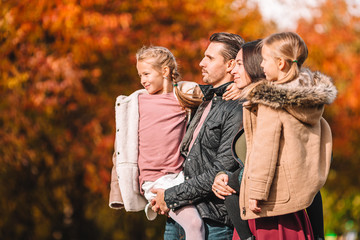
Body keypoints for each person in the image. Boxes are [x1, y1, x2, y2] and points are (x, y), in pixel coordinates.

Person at [213, 39, 328, 240]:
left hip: (268, 210)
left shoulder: (268, 104)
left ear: (256, 66)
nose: (232, 71)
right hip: (273, 209)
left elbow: (265, 151)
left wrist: (244, 184)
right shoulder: (295, 104)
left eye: (239, 64)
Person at [150, 32, 245, 240]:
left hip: (214, 224)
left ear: (230, 65)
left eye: (210, 58)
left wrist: (171, 196)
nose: (202, 63)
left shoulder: (238, 108)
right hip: (180, 215)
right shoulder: (204, 98)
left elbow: (221, 170)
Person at [109, 46, 206, 239]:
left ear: (165, 71)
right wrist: (116, 192)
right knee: (195, 225)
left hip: (181, 176)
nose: (142, 80)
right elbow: (120, 148)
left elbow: (209, 97)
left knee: (192, 224)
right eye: (140, 75)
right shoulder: (136, 102)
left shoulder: (182, 97)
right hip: (154, 180)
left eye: (146, 73)